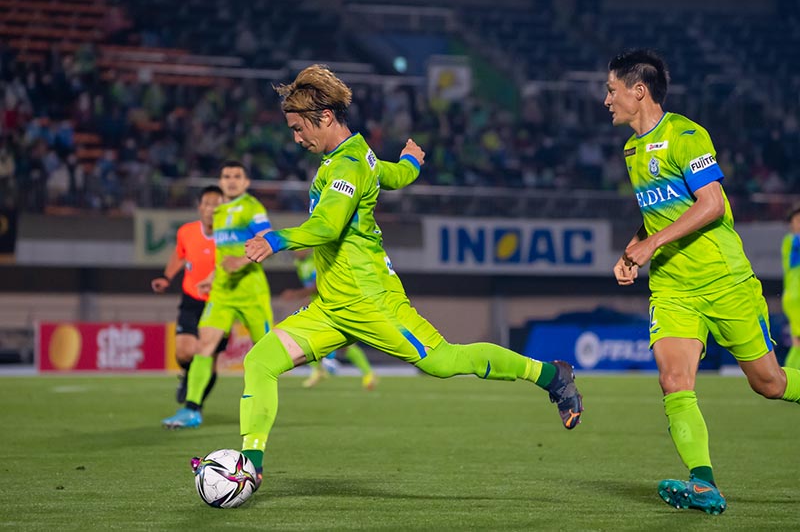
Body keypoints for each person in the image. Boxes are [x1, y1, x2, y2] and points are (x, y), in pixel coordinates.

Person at [194, 64, 583, 489]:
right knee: (260, 361)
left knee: (443, 362)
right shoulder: (355, 156)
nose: (296, 138)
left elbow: (328, 226)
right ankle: (250, 466)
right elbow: (392, 175)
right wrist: (411, 162)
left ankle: (551, 376)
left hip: (372, 299)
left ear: (325, 117)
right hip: (333, 306)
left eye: (298, 128)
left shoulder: (346, 165)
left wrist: (275, 239)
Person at [605, 48, 800, 515]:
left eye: (611, 90)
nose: (606, 99)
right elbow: (657, 214)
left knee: (769, 383)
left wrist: (652, 245)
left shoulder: (687, 135)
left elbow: (711, 203)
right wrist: (633, 248)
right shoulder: (631, 150)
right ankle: (703, 483)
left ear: (639, 91)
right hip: (673, 287)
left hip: (724, 279)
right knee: (673, 380)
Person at [162, 161, 274, 429]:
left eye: (237, 176)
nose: (231, 180)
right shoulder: (220, 213)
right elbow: (224, 255)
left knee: (267, 354)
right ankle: (191, 410)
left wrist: (242, 261)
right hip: (222, 293)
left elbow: (269, 239)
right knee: (205, 346)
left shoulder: (252, 208)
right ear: (221, 182)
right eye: (226, 176)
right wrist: (211, 278)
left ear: (246, 183)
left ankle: (262, 410)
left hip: (251, 292)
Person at [151, 185, 226, 404]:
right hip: (192, 299)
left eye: (216, 205)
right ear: (199, 207)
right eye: (207, 204)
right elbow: (180, 255)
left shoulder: (230, 237)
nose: (211, 209)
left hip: (220, 303)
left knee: (209, 359)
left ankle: (195, 404)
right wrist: (166, 277)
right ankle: (187, 376)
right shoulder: (186, 231)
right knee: (184, 353)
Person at [280, 248, 377, 390]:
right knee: (304, 337)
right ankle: (319, 370)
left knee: (344, 344)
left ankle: (367, 373)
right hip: (320, 304)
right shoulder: (299, 263)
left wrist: (296, 294)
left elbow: (318, 286)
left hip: (332, 304)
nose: (295, 251)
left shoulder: (316, 259)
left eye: (298, 248)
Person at [782, 204, 800, 369]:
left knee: (797, 341)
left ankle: (790, 374)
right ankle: (791, 374)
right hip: (796, 298)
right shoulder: (791, 241)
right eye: (798, 220)